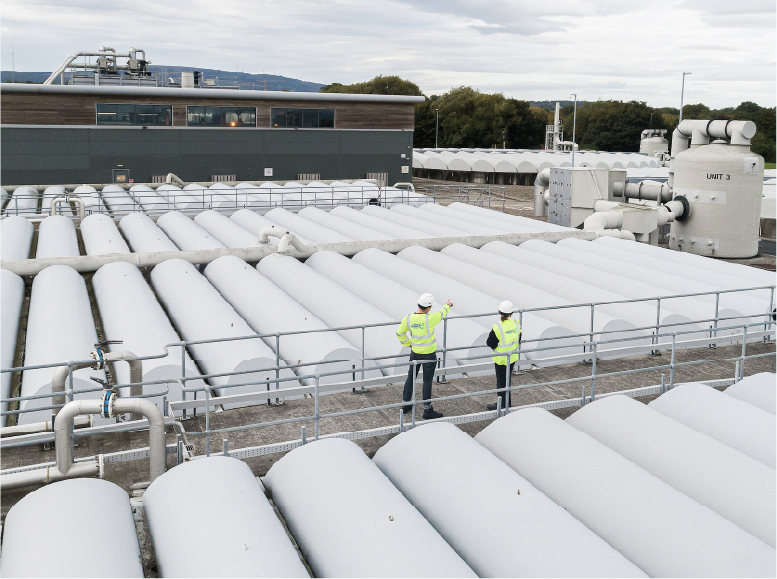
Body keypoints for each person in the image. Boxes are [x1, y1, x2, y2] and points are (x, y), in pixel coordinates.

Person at [396, 293, 452, 419]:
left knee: (410, 378)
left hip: (415, 353)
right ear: (429, 307)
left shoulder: (408, 318)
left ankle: (405, 405)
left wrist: (408, 344)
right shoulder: (430, 318)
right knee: (427, 382)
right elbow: (442, 313)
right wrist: (447, 305)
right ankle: (427, 411)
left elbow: (399, 333)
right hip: (429, 356)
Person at [486, 300, 521, 411]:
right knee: (507, 380)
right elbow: (519, 340)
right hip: (512, 358)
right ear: (511, 313)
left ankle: (502, 404)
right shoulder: (516, 324)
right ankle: (507, 403)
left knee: (501, 382)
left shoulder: (497, 327)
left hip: (501, 360)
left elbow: (490, 343)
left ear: (499, 312)